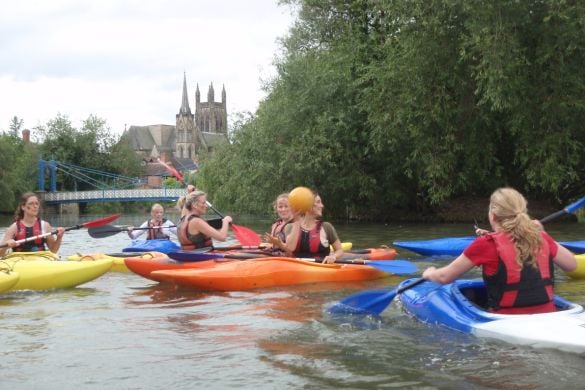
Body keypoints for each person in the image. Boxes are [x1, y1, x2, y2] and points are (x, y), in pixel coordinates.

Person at [422, 187, 577, 314]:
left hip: (506, 321)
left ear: (493, 216)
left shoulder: (486, 244)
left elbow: (444, 277)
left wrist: (429, 273)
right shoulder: (541, 237)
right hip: (548, 316)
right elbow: (572, 264)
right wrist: (542, 234)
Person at [283, 190, 344, 263]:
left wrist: (334, 256)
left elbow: (339, 250)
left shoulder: (327, 227)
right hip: (297, 268)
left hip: (321, 268)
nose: (322, 206)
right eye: (318, 202)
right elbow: (290, 248)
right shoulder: (290, 227)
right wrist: (297, 222)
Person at [0, 192, 65, 256]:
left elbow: (53, 250)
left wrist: (59, 237)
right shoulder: (14, 228)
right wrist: (6, 246)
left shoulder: (45, 226)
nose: (35, 206)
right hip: (19, 262)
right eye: (31, 203)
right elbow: (0, 253)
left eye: (37, 204)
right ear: (23, 207)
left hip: (40, 261)